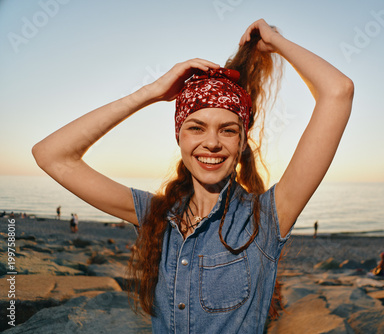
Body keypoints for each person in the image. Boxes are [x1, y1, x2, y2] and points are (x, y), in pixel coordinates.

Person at [32, 19, 353, 333]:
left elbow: (338, 91)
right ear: (179, 137)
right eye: (196, 128)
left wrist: (275, 42)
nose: (211, 142)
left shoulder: (266, 218)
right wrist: (152, 91)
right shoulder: (154, 214)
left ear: (241, 143)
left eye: (227, 130)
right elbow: (51, 155)